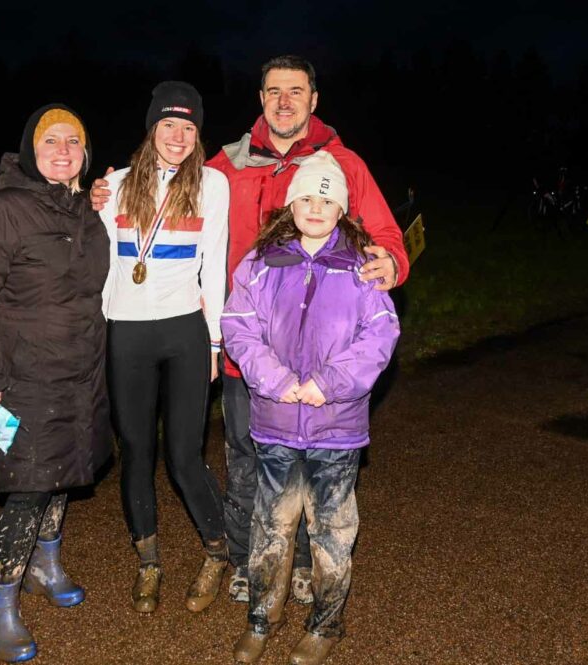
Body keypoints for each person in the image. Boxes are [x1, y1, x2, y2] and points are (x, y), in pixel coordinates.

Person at [205, 55, 410, 604]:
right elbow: (173, 206)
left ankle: (302, 564)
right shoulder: (228, 164)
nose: (285, 101)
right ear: (261, 98)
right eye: (274, 91)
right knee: (247, 459)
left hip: (322, 359)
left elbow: (387, 236)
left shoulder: (342, 164)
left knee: (313, 466)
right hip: (249, 352)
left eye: (296, 91)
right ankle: (250, 559)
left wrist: (390, 261)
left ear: (314, 100)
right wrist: (110, 194)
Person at [221, 151, 400, 665]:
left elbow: (380, 333)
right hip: (276, 423)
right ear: (290, 203)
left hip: (335, 428)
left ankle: (325, 623)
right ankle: (262, 615)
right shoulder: (260, 262)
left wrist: (330, 382)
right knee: (271, 523)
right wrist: (275, 380)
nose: (315, 207)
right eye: (305, 197)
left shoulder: (363, 267)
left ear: (342, 207)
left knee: (331, 531)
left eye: (327, 199)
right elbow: (238, 323)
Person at [0, 104, 111, 663]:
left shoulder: (86, 212)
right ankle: (3, 599)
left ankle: (46, 564)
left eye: (73, 141)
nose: (62, 151)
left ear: (84, 154)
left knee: (64, 472)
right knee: (29, 485)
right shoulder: (2, 212)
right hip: (25, 376)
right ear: (30, 151)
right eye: (50, 142)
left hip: (83, 369)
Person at [98, 82, 230, 614]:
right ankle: (148, 561)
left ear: (198, 135)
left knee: (183, 454)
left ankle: (219, 551)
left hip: (185, 332)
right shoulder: (117, 184)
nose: (177, 136)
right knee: (136, 451)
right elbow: (100, 259)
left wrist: (216, 339)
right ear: (152, 128)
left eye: (189, 127)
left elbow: (214, 265)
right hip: (126, 330)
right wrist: (89, 199)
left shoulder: (213, 185)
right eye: (168, 125)